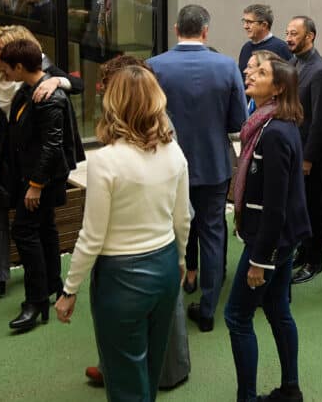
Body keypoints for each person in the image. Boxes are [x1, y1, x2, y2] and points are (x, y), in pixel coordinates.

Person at [53, 66, 190, 402]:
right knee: (151, 368)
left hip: (121, 279)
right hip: (166, 266)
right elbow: (183, 218)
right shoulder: (174, 152)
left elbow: (92, 236)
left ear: (112, 103)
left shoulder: (106, 161)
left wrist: (70, 288)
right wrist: (182, 259)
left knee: (125, 378)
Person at [0, 26, 79, 301]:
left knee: (37, 223)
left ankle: (47, 286)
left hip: (37, 160)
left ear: (18, 55)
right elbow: (1, 121)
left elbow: (76, 88)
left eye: (2, 49)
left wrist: (56, 81)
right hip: (11, 155)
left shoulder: (38, 72)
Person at [146, 5, 248, 332]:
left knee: (169, 229)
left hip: (166, 165)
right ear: (206, 31)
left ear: (176, 29)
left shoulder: (154, 67)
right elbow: (237, 122)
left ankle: (174, 294)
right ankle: (208, 307)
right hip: (214, 163)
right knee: (213, 232)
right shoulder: (226, 65)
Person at [225, 56, 310, 402]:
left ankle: (247, 398)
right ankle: (291, 388)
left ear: (278, 88)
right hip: (282, 239)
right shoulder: (267, 123)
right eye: (251, 68)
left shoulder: (272, 132)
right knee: (277, 309)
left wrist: (261, 258)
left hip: (270, 241)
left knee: (237, 317)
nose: (249, 72)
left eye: (261, 72)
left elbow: (275, 204)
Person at [0, 38, 85, 332]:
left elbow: (51, 145)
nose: (2, 71)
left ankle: (35, 301)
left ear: (19, 66)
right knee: (44, 228)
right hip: (34, 174)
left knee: (24, 230)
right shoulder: (29, 89)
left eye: (6, 67)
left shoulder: (48, 96)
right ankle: (52, 286)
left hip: (41, 178)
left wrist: (35, 184)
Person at [284, 16, 322, 286]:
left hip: (312, 156)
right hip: (294, 149)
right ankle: (303, 251)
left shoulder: (320, 71)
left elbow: (320, 121)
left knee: (314, 207)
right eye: (288, 33)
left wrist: (308, 158)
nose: (289, 37)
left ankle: (314, 261)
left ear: (310, 36)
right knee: (299, 206)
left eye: (295, 33)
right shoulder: (293, 64)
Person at [238, 4, 292, 74]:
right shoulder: (246, 48)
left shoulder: (281, 47)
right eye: (244, 21)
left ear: (264, 25)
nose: (245, 26)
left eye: (250, 22)